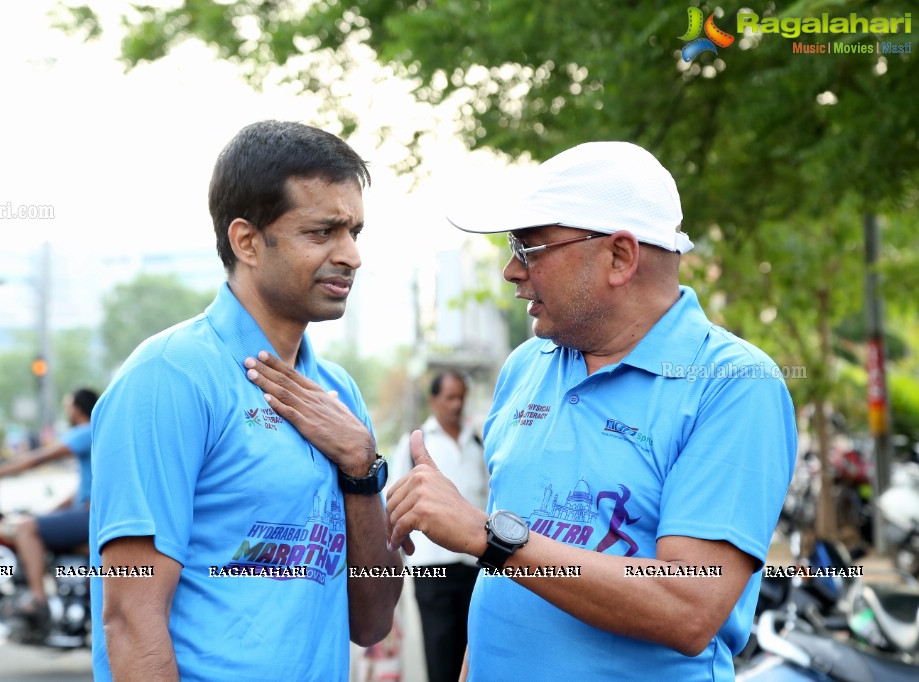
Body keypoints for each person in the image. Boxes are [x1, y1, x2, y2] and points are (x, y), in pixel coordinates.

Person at [386, 141, 797, 681]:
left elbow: (689, 606)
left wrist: (486, 537)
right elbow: (503, 593)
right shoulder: (526, 367)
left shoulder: (730, 385)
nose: (512, 270)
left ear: (620, 257)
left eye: (530, 248)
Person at [89, 120, 403, 681]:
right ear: (247, 241)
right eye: (322, 232)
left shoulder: (340, 394)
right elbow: (131, 616)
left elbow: (372, 621)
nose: (351, 254)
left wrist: (362, 471)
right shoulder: (169, 379)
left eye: (355, 231)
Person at [390, 370, 488, 682]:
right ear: (434, 400)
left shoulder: (477, 443)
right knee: (440, 651)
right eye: (449, 397)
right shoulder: (416, 442)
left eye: (461, 397)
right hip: (432, 567)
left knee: (473, 655)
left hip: (474, 564)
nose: (456, 404)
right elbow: (395, 499)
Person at [0, 387, 99, 627]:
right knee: (35, 524)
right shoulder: (97, 434)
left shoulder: (86, 431)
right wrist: (48, 514)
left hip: (91, 516)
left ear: (77, 409)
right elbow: (81, 491)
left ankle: (38, 601)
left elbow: (38, 458)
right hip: (90, 511)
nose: (67, 412)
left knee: (25, 529)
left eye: (68, 407)